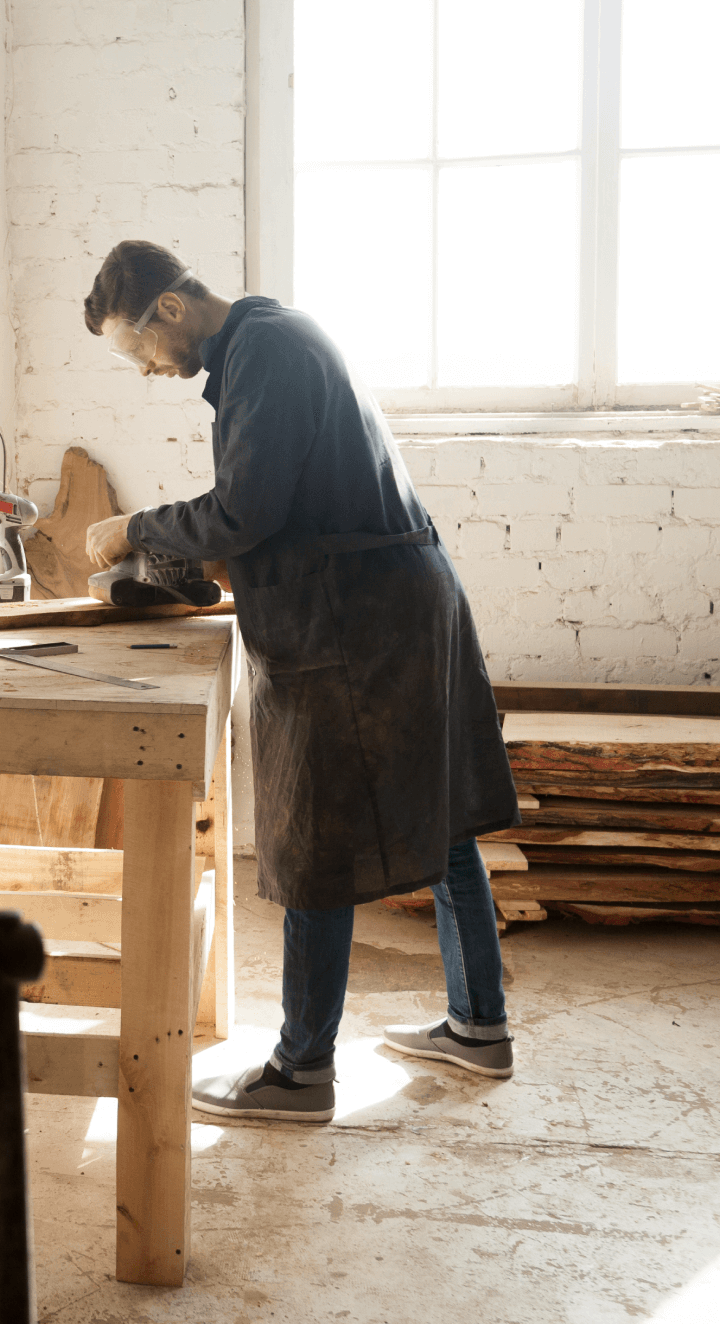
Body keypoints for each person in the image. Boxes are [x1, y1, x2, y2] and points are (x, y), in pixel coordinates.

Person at [82, 241, 519, 1123]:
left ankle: (301, 1071)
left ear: (169, 310)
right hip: (397, 601)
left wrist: (137, 527)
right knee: (438, 817)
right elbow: (276, 503)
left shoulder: (265, 351)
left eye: (142, 352)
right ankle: (480, 1027)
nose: (152, 372)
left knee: (313, 837)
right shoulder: (270, 340)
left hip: (357, 619)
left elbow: (247, 508)